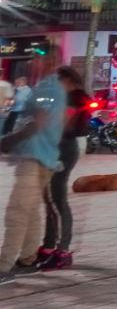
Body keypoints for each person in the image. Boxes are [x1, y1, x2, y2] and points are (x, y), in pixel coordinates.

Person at [0, 57, 64, 280]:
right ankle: (28, 258)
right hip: (40, 157)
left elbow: (39, 121)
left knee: (17, 211)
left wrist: (8, 141)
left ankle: (3, 265)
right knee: (30, 211)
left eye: (42, 61)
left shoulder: (49, 88)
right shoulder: (47, 87)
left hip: (35, 157)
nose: (35, 65)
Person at [34, 67, 89, 271]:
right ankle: (48, 245)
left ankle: (63, 250)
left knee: (58, 199)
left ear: (68, 80)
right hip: (58, 146)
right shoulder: (67, 97)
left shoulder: (75, 98)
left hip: (63, 148)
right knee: (49, 198)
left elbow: (62, 124)